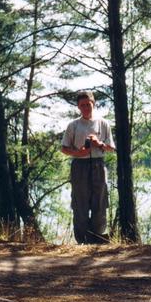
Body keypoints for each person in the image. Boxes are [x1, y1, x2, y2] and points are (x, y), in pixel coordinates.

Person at [61, 91, 116, 244]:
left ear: (94, 103)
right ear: (78, 107)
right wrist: (78, 153)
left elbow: (111, 148)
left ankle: (98, 238)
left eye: (88, 104)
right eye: (82, 105)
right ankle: (83, 240)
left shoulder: (103, 123)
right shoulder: (73, 125)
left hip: (98, 164)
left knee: (100, 201)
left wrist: (99, 144)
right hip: (80, 165)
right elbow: (64, 148)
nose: (86, 107)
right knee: (80, 203)